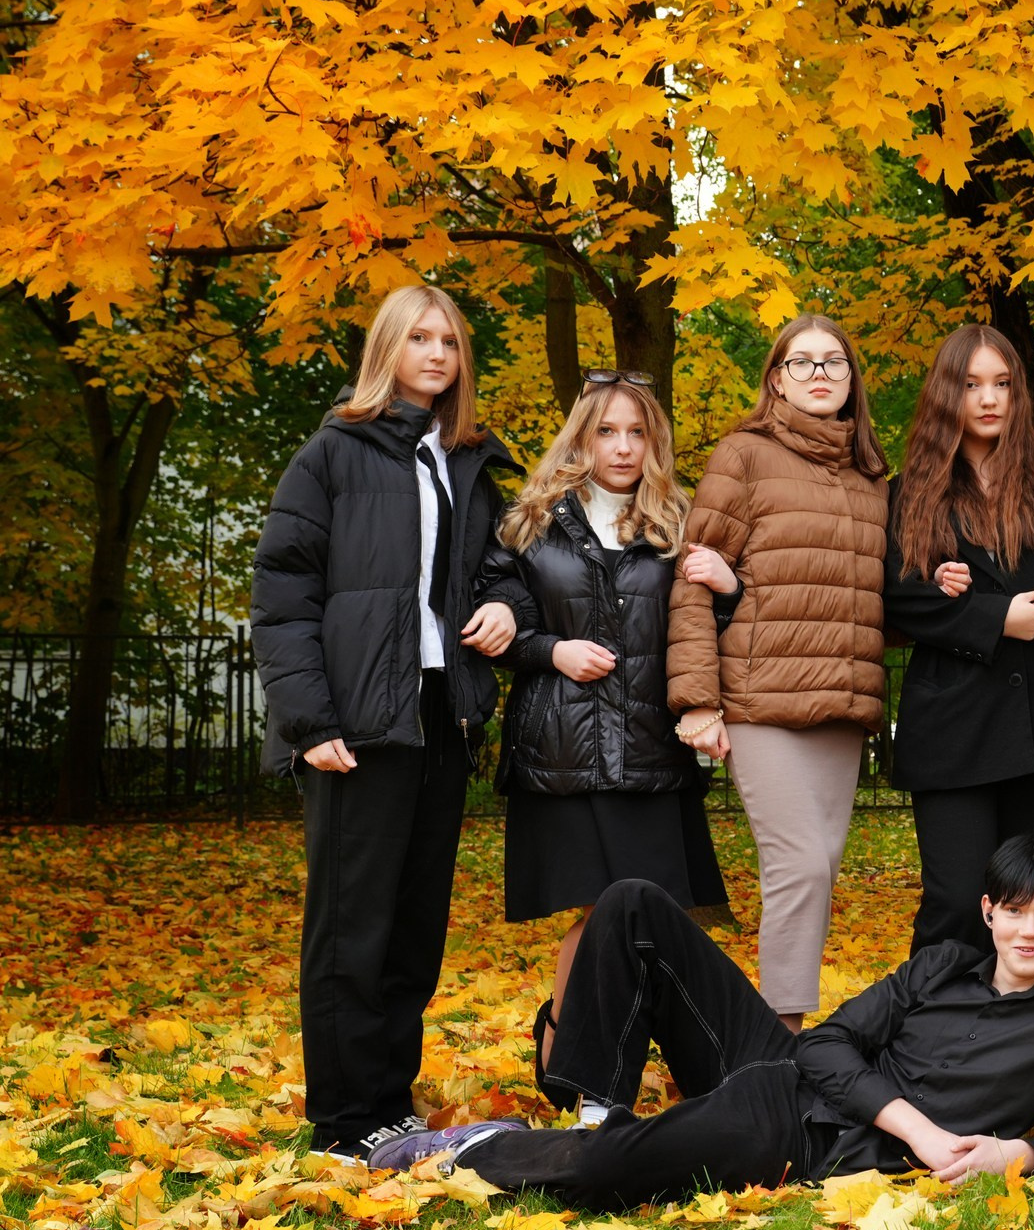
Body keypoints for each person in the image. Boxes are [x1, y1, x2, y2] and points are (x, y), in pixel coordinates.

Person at [368, 834, 1034, 1204]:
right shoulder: (940, 965)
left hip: (809, 1136)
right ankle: (597, 1107)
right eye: (1016, 911)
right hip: (787, 1073)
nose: (1030, 931)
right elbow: (825, 1044)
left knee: (609, 1174)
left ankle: (480, 1148)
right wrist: (920, 1130)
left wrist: (1021, 1153)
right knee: (633, 902)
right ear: (989, 911)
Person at [251, 284, 519, 1164]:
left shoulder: (467, 460)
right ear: (387, 349)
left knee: (413, 924)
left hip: (442, 713)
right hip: (358, 723)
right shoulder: (331, 453)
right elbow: (283, 596)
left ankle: (389, 1105)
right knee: (351, 925)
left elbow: (500, 572)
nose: (437, 354)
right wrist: (307, 720)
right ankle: (343, 1117)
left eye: (450, 340)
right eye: (420, 338)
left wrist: (507, 610)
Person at [473, 370, 726, 1091]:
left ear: (655, 442)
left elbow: (708, 630)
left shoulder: (680, 524)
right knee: (596, 915)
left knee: (657, 916)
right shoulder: (531, 522)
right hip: (564, 756)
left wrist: (729, 586)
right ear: (580, 438)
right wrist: (551, 650)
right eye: (606, 431)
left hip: (653, 753)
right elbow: (494, 615)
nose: (622, 447)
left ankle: (674, 1066)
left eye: (637, 432)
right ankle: (568, 1064)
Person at [667, 314, 891, 1029]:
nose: (819, 373)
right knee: (801, 865)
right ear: (776, 380)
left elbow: (871, 595)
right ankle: (781, 1037)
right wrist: (697, 701)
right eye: (802, 362)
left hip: (843, 704)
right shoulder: (744, 454)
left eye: (834, 361)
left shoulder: (872, 477)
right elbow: (693, 579)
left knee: (818, 870)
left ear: (852, 380)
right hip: (760, 698)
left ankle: (776, 1030)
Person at [882, 325, 1034, 956]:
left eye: (1002, 383)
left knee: (1030, 902)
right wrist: (994, 616)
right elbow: (891, 592)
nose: (988, 398)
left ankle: (1021, 1017)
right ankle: (930, 1013)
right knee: (955, 899)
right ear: (946, 393)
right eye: (971, 383)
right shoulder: (910, 492)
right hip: (953, 726)